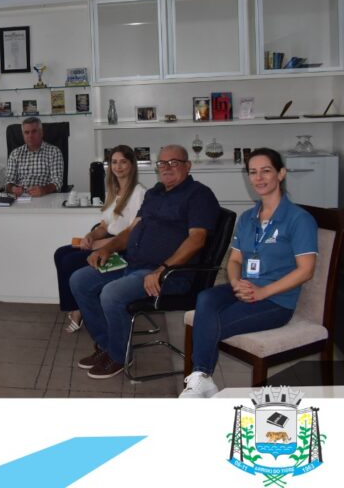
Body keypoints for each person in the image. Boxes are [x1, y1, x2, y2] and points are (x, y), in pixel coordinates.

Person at [69, 145, 220, 379]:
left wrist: (162, 269)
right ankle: (108, 346)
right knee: (80, 280)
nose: (167, 168)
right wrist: (108, 248)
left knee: (111, 294)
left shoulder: (199, 195)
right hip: (133, 264)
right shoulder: (154, 193)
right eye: (162, 163)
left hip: (169, 275)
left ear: (188, 166)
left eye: (174, 163)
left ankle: (119, 356)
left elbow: (197, 239)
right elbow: (132, 231)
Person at [180, 148, 317, 398]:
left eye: (266, 171)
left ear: (281, 173)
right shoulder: (247, 217)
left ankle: (201, 376)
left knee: (210, 322)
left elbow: (306, 270)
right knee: (206, 297)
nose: (258, 178)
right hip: (244, 288)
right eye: (253, 172)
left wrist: (263, 291)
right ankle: (203, 380)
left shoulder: (299, 219)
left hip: (276, 300)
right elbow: (234, 260)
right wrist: (235, 283)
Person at [53, 145, 145, 333]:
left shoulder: (139, 193)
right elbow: (104, 225)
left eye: (123, 162)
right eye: (114, 162)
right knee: (60, 254)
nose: (118, 167)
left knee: (70, 261)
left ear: (132, 165)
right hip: (108, 239)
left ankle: (78, 311)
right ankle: (77, 306)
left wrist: (98, 244)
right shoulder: (114, 190)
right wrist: (90, 236)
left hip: (122, 248)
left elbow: (131, 234)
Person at [5, 117, 64, 197]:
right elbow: (8, 182)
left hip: (45, 197)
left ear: (41, 133)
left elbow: (57, 182)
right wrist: (13, 189)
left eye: (34, 131)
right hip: (21, 198)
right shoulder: (15, 154)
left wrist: (43, 190)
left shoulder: (54, 152)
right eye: (26, 132)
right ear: (23, 135)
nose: (30, 136)